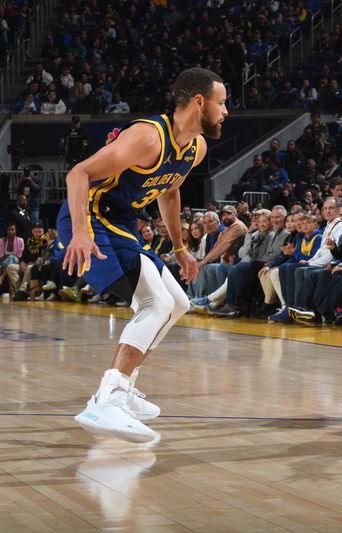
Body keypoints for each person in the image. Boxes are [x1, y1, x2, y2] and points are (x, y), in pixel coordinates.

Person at [59, 67, 227, 442]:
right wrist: (82, 232)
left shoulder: (195, 148)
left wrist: (181, 248)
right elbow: (78, 174)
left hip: (122, 223)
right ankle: (108, 398)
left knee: (178, 302)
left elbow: (169, 192)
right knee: (155, 302)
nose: (225, 111)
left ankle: (124, 387)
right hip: (92, 216)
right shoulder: (148, 138)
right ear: (199, 102)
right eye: (222, 103)